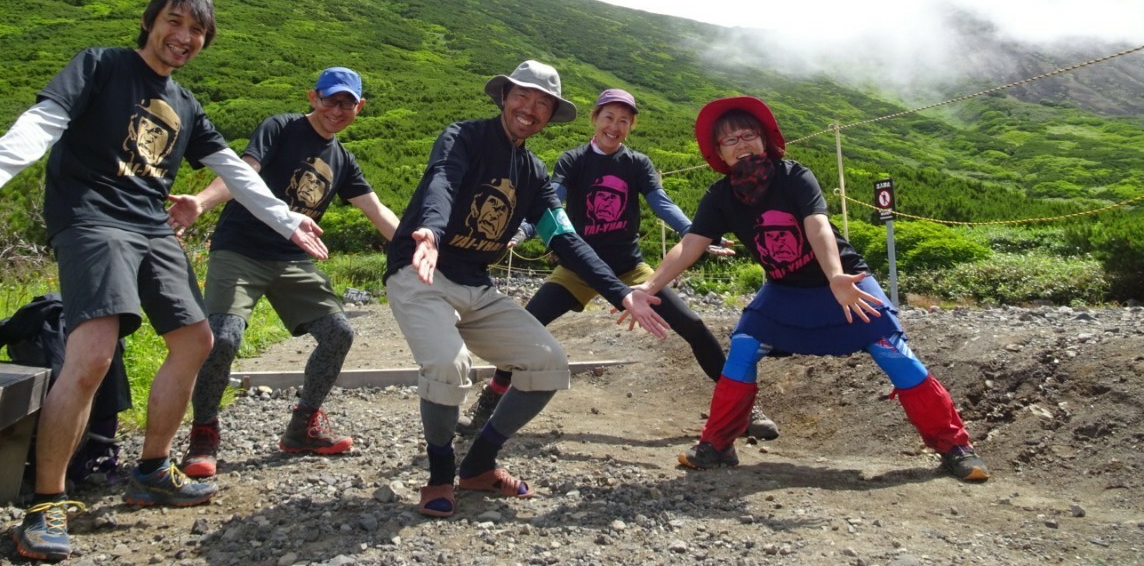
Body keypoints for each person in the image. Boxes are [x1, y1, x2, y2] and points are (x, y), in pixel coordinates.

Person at [0, 0, 330, 562]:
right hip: (92, 218)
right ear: (150, 22)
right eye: (175, 21)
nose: (184, 37)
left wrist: (284, 217)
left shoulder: (187, 105)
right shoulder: (101, 66)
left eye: (197, 31)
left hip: (152, 226)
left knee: (196, 339)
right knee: (92, 354)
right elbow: (45, 119)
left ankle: (151, 470)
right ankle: (46, 503)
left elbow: (233, 172)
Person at [637, 96, 989, 482]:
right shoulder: (720, 196)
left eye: (747, 135)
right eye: (729, 140)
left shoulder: (794, 176)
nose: (741, 144)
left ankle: (955, 447)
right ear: (718, 152)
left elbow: (817, 226)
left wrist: (836, 276)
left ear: (764, 139)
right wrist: (648, 287)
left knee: (892, 351)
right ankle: (717, 446)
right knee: (744, 345)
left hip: (843, 280)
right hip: (785, 289)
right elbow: (691, 244)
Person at [384, 60, 672, 519]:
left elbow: (564, 237)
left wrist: (621, 292)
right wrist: (432, 231)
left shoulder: (535, 173)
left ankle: (479, 465)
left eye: (543, 103)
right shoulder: (464, 137)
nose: (530, 108)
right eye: (523, 95)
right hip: (422, 271)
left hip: (476, 283)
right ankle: (440, 475)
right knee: (446, 363)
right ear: (504, 96)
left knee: (548, 362)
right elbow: (444, 179)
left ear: (550, 114)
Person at [459, 87, 779, 440]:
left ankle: (744, 408)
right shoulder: (573, 160)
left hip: (630, 268)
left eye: (624, 120)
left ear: (631, 126)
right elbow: (552, 205)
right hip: (578, 268)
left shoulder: (637, 163)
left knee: (693, 325)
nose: (615, 126)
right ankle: (487, 407)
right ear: (595, 118)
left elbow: (660, 202)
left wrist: (695, 232)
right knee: (526, 326)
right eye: (609, 117)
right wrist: (520, 230)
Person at [165, 66, 400, 476]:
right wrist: (201, 202)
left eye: (348, 103)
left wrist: (422, 250)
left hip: (293, 258)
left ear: (359, 107)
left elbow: (376, 211)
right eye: (330, 99)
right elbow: (244, 172)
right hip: (240, 248)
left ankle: (303, 426)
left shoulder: (343, 160)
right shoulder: (280, 127)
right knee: (221, 337)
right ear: (313, 98)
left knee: (338, 334)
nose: (337, 109)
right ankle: (203, 433)